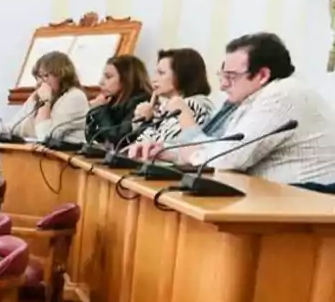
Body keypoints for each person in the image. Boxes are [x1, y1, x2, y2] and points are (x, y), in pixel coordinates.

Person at [132, 33, 335, 187]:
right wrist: (168, 152)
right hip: (275, 199)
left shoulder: (283, 95)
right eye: (222, 75)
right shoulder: (254, 98)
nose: (222, 85)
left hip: (308, 204)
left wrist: (187, 153)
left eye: (230, 76)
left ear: (262, 75)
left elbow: (225, 160)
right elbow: (221, 146)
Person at [131, 48, 214, 145]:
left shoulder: (191, 105)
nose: (153, 79)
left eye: (161, 73)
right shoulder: (165, 106)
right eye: (155, 73)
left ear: (182, 75)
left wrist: (147, 122)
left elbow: (160, 147)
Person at [4, 51, 89, 143]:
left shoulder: (75, 97)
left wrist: (45, 103)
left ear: (62, 76)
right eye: (38, 77)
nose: (40, 82)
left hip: (66, 154)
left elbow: (45, 137)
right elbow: (13, 127)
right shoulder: (37, 96)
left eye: (46, 76)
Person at [85, 54, 151, 145]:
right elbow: (94, 139)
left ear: (126, 79)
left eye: (108, 77)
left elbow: (119, 138)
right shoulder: (112, 100)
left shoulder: (140, 102)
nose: (101, 82)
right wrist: (94, 111)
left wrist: (99, 110)